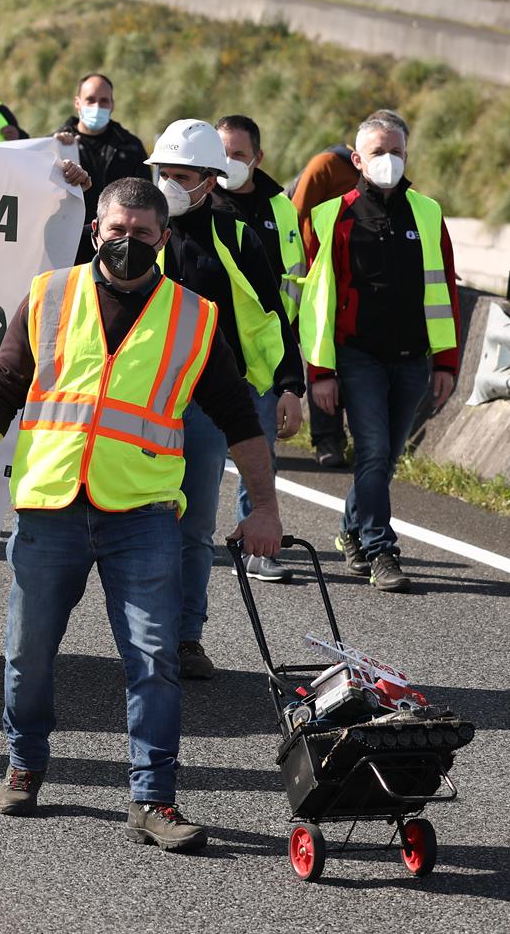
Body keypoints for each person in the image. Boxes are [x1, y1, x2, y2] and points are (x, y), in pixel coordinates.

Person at [0, 176, 283, 850]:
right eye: (116, 231)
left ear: (165, 237)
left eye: (142, 234)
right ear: (96, 231)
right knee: (27, 655)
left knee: (155, 657)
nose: (128, 243)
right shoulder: (48, 296)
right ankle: (26, 763)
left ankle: (153, 800)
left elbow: (239, 417)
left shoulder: (193, 316)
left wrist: (263, 504)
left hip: (143, 515)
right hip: (52, 507)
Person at [146, 119, 301, 674]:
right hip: (137, 400)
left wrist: (288, 385)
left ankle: (186, 636)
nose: (166, 184)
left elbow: (271, 315)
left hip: (207, 404)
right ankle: (140, 632)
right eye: (161, 173)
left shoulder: (238, 238)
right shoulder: (137, 227)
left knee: (192, 525)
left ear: (207, 182)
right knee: (128, 520)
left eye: (179, 176)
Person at [299, 115, 460, 594]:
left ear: (407, 156)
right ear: (357, 159)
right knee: (370, 450)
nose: (388, 161)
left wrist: (447, 361)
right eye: (378, 153)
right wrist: (320, 371)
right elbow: (318, 300)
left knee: (385, 458)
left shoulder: (427, 212)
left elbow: (445, 288)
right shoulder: (331, 215)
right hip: (357, 356)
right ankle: (379, 547)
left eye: (397, 153)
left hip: (412, 357)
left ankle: (351, 529)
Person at [216, 113, 309, 582]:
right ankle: (173, 541)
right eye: (223, 153)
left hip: (264, 360)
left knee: (260, 457)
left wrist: (293, 377)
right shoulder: (196, 201)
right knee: (197, 458)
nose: (229, 162)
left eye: (238, 154)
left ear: (258, 157)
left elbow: (293, 288)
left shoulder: (280, 207)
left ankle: (257, 550)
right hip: (206, 357)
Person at [290, 123, 380, 467]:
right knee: (321, 357)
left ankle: (360, 439)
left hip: (360, 278)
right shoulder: (326, 165)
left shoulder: (383, 175)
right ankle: (327, 440)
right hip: (320, 273)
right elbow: (295, 213)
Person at [54, 73, 148, 222]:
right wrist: (53, 148)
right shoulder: (56, 143)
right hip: (69, 234)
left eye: (104, 101)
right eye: (90, 100)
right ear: (77, 103)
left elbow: (145, 198)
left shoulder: (131, 147)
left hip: (117, 235)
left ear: (112, 105)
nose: (97, 106)